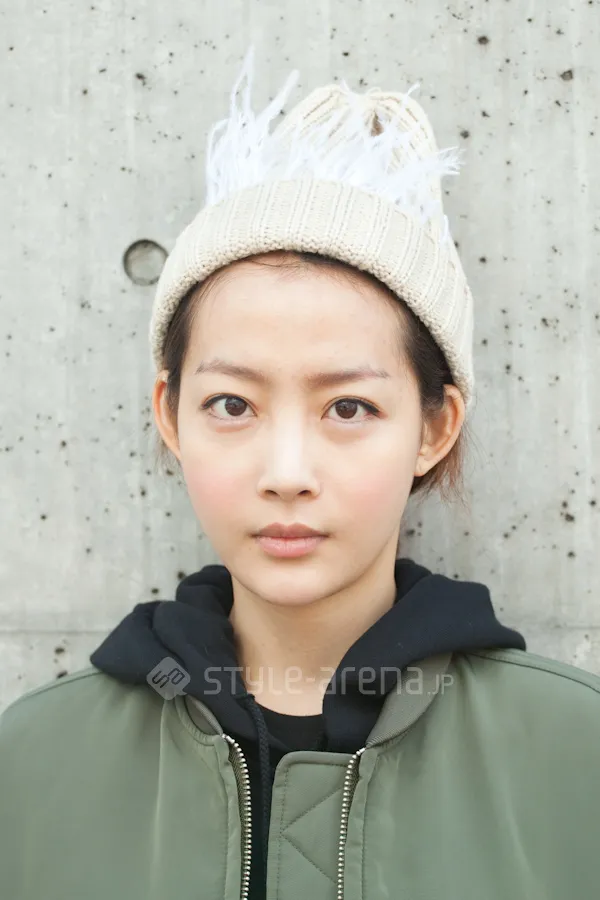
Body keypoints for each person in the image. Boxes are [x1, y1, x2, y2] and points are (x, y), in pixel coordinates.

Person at [1, 47, 599, 900]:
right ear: (170, 415)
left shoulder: (576, 754)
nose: (287, 473)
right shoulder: (33, 762)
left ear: (434, 427)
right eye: (232, 405)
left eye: (348, 408)